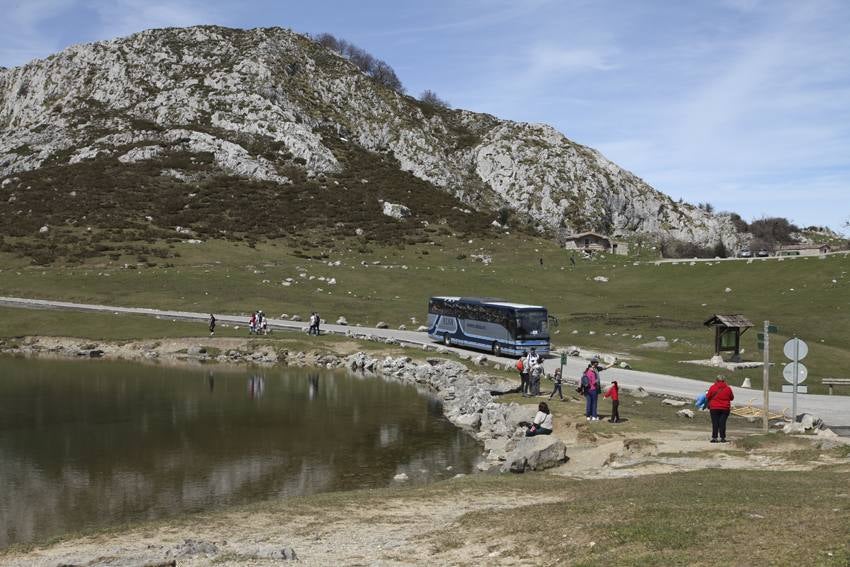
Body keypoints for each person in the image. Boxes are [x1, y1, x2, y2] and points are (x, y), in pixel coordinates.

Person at [706, 376, 734, 443]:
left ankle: (714, 438)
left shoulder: (712, 387)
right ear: (724, 381)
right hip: (725, 408)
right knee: (722, 423)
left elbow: (708, 396)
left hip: (714, 408)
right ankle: (723, 438)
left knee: (715, 423)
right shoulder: (728, 388)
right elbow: (732, 398)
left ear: (716, 380)